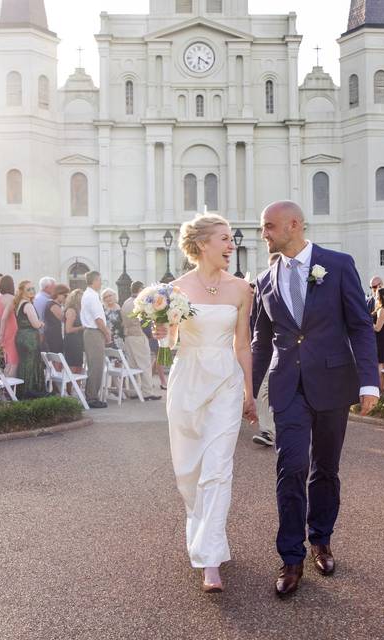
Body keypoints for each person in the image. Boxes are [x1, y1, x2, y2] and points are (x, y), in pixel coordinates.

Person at [251, 200, 379, 597]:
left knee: (325, 468)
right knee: (291, 465)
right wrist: (248, 392)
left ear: (294, 225)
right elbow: (260, 341)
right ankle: (291, 557)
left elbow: (360, 325)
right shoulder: (264, 279)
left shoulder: (337, 264)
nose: (264, 234)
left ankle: (320, 539)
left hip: (333, 383)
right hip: (287, 385)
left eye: (269, 227)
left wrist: (369, 382)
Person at [154, 213, 256, 594]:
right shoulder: (174, 290)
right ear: (202, 245)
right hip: (187, 381)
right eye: (225, 239)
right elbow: (167, 353)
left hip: (225, 384)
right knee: (189, 473)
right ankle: (200, 530)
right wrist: (161, 337)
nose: (232, 245)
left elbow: (242, 344)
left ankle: (211, 558)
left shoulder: (242, 289)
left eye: (232, 239)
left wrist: (249, 393)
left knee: (217, 469)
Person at [251, 252, 282, 448]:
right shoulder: (262, 285)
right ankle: (268, 431)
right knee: (265, 389)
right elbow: (256, 321)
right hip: (268, 350)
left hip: (292, 350)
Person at [121, 281, 161, 401]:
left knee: (132, 364)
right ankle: (147, 392)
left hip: (128, 336)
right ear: (140, 289)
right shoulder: (140, 302)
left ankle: (134, 391)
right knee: (145, 364)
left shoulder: (126, 302)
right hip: (139, 335)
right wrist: (150, 335)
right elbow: (144, 322)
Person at [80, 272, 111, 409]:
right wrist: (107, 333)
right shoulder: (92, 296)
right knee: (96, 366)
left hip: (91, 332)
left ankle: (91, 395)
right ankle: (92, 397)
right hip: (94, 332)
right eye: (99, 280)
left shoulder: (89, 294)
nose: (101, 283)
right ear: (94, 281)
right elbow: (98, 319)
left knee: (95, 365)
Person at [13, 280, 46, 398]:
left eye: (33, 288)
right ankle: (31, 392)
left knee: (24, 364)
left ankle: (23, 391)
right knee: (32, 364)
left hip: (21, 336)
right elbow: (35, 324)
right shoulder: (28, 305)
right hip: (29, 339)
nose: (32, 291)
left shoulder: (19, 304)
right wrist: (41, 323)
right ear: (22, 291)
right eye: (28, 289)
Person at [63, 289, 86, 374]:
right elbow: (68, 330)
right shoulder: (71, 310)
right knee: (73, 365)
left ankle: (77, 386)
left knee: (79, 365)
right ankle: (70, 387)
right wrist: (82, 327)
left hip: (78, 341)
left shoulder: (79, 310)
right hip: (72, 342)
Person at [43, 283, 69, 356]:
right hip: (53, 335)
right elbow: (64, 319)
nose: (66, 298)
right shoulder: (53, 304)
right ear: (58, 294)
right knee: (56, 357)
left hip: (54, 334)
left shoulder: (54, 304)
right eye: (65, 295)